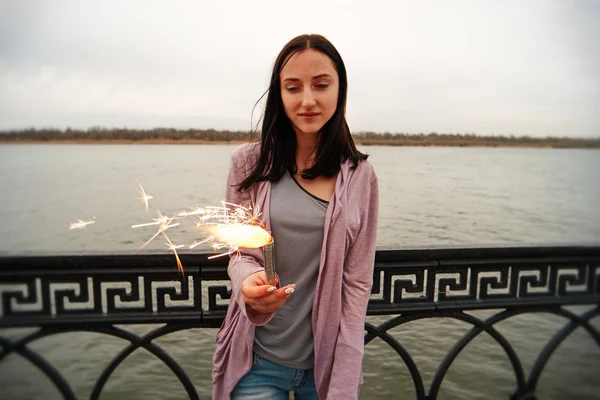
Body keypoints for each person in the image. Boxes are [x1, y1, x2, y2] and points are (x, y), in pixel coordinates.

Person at [212, 33, 379, 400]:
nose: (307, 100)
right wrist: (250, 282)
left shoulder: (360, 177)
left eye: (321, 85)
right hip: (255, 362)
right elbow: (239, 252)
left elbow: (356, 284)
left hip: (324, 370)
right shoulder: (247, 164)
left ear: (340, 90)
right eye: (293, 87)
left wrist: (346, 376)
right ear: (279, 95)